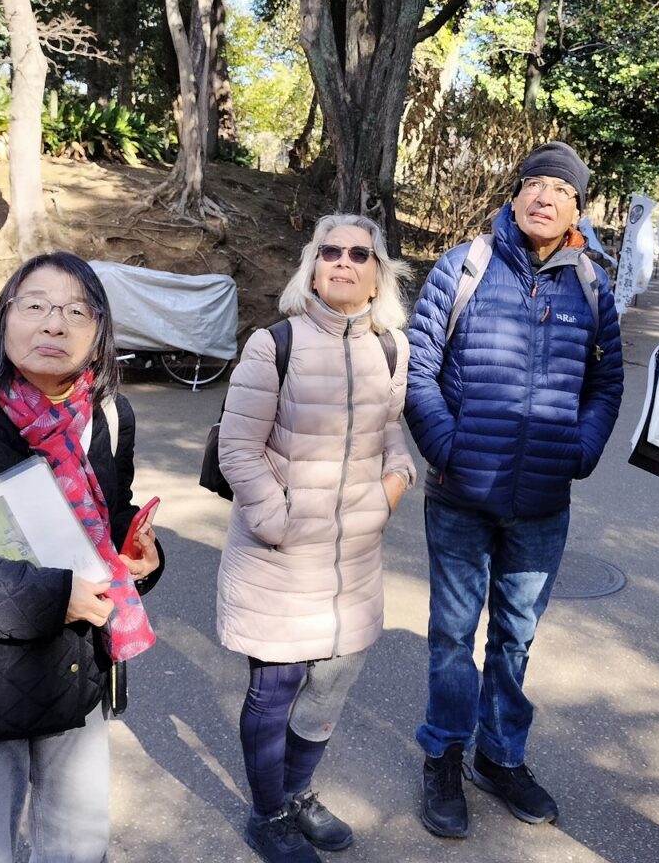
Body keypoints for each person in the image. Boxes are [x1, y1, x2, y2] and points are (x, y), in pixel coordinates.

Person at [0, 251, 163, 863]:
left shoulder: (107, 415)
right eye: (37, 305)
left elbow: (108, 515)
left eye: (77, 311)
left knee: (78, 851)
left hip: (70, 678)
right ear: (4, 318)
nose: (55, 324)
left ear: (99, 333)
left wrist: (139, 555)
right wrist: (53, 595)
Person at [404, 141, 624, 838]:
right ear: (517, 193)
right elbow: (418, 370)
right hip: (460, 495)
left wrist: (580, 452)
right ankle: (444, 754)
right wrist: (448, 449)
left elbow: (607, 383)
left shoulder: (592, 285)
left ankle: (499, 756)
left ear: (577, 209)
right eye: (535, 184)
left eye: (561, 190)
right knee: (451, 635)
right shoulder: (464, 266)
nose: (544, 197)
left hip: (542, 503)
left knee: (515, 638)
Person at [216, 213, 417, 863]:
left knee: (330, 685)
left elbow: (392, 433)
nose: (343, 262)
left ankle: (296, 792)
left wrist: (391, 489)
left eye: (360, 254)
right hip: (280, 558)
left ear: (378, 275)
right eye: (330, 251)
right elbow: (237, 449)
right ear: (312, 266)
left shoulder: (392, 348)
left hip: (355, 558)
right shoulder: (273, 344)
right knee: (276, 689)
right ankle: (267, 813)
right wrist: (277, 519)